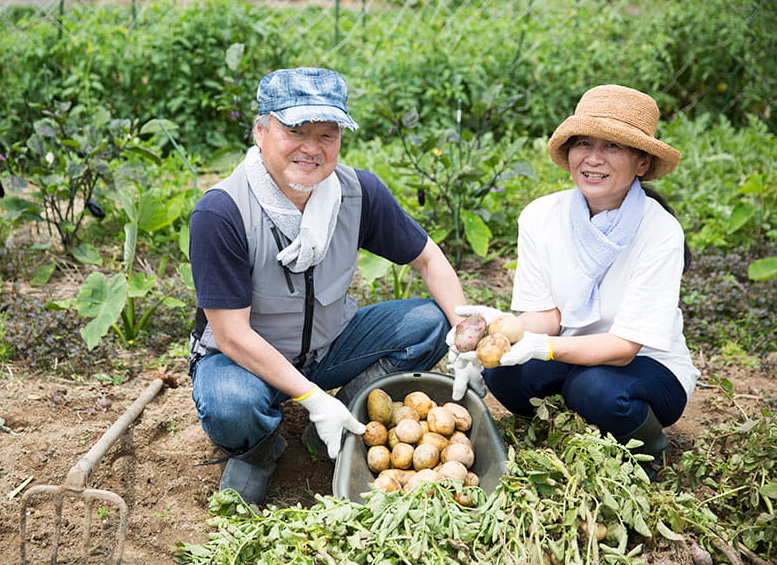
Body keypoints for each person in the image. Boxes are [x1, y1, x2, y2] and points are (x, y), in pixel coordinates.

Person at [188, 67, 469, 504]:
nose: (312, 149)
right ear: (260, 131)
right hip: (244, 361)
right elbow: (231, 335)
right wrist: (315, 399)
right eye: (296, 130)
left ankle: (349, 419)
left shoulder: (357, 193)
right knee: (230, 404)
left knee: (430, 322)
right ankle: (258, 453)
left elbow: (428, 257)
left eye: (328, 135)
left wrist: (466, 333)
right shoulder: (222, 212)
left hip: (328, 346)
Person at [448, 84, 699, 478]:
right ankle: (570, 429)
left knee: (594, 388)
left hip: (648, 367)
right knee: (504, 373)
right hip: (571, 351)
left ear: (642, 163)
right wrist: (492, 328)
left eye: (613, 146)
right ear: (568, 154)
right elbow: (547, 315)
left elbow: (623, 348)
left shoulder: (659, 231)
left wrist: (543, 347)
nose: (593, 158)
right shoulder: (540, 216)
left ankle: (650, 450)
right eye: (583, 143)